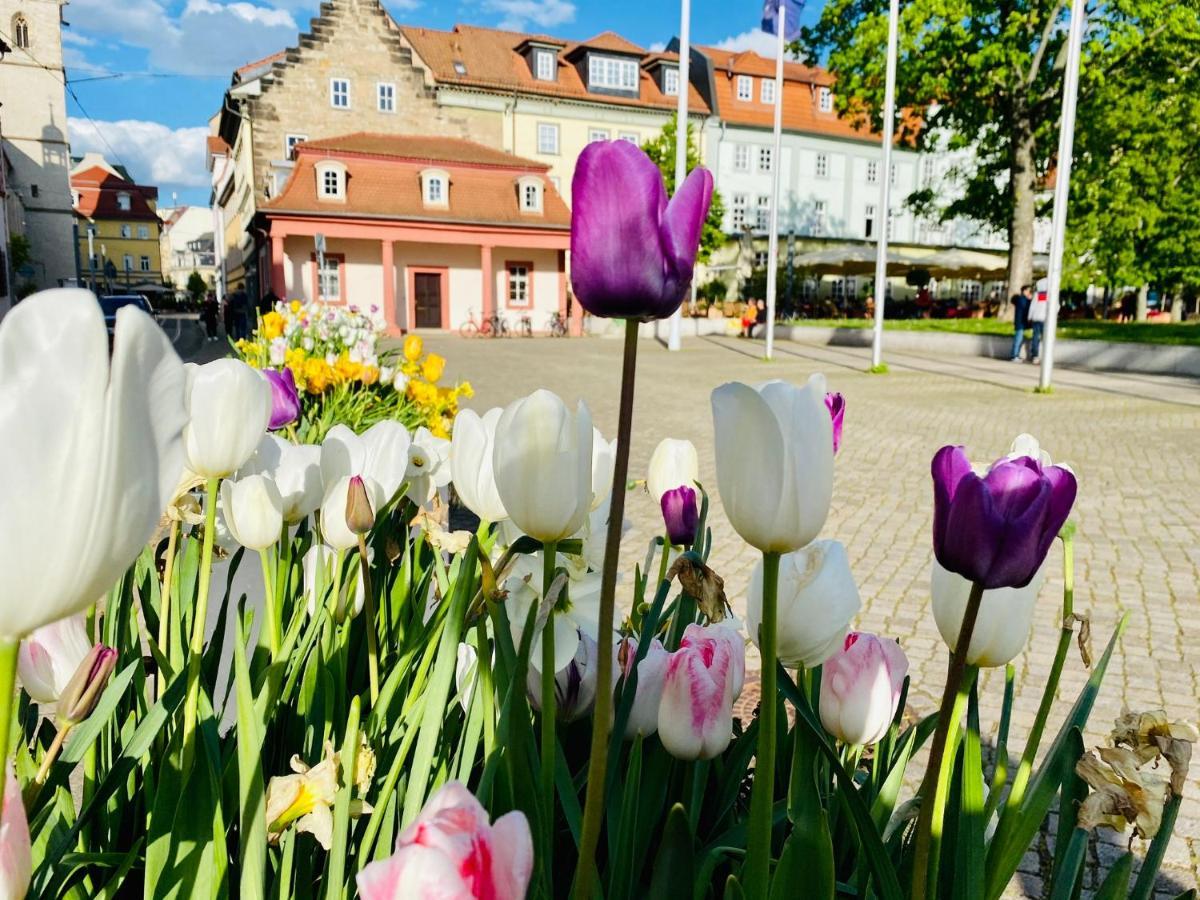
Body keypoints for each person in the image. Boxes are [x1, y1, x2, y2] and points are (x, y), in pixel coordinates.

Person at [1027, 279, 1048, 363]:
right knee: (1045, 337)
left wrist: (1030, 316)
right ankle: (1045, 355)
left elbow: (1032, 306)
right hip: (1045, 319)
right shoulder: (1050, 294)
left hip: (1036, 318)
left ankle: (1035, 355)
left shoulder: (1037, 295)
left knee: (1035, 336)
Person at [1009, 284, 1032, 362]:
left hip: (1020, 322)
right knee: (1018, 339)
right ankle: (1014, 355)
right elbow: (1025, 308)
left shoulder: (1022, 299)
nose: (1030, 292)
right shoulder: (1022, 299)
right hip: (1020, 322)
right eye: (1029, 291)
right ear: (1024, 291)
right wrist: (1029, 300)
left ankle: (1016, 355)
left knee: (1019, 339)